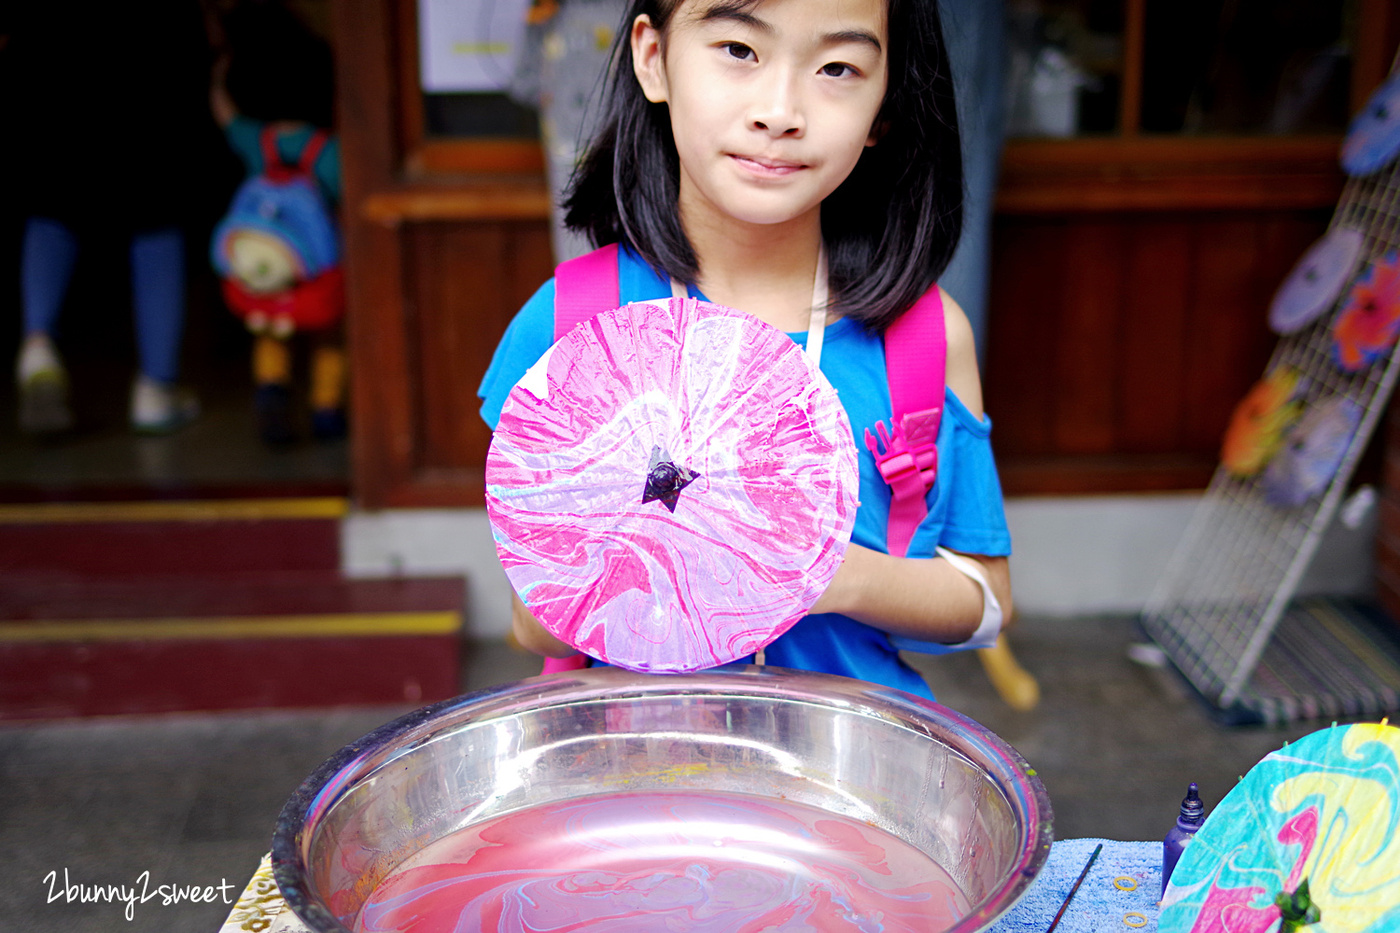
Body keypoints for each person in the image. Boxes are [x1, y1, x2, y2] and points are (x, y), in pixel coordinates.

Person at [478, 0, 1013, 700]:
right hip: (646, 776)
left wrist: (829, 570)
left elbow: (985, 603)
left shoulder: (924, 335)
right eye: (738, 50)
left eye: (837, 67)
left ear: (885, 106)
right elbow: (535, 624)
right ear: (653, 58)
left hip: (852, 778)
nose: (779, 110)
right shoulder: (573, 326)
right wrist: (664, 545)